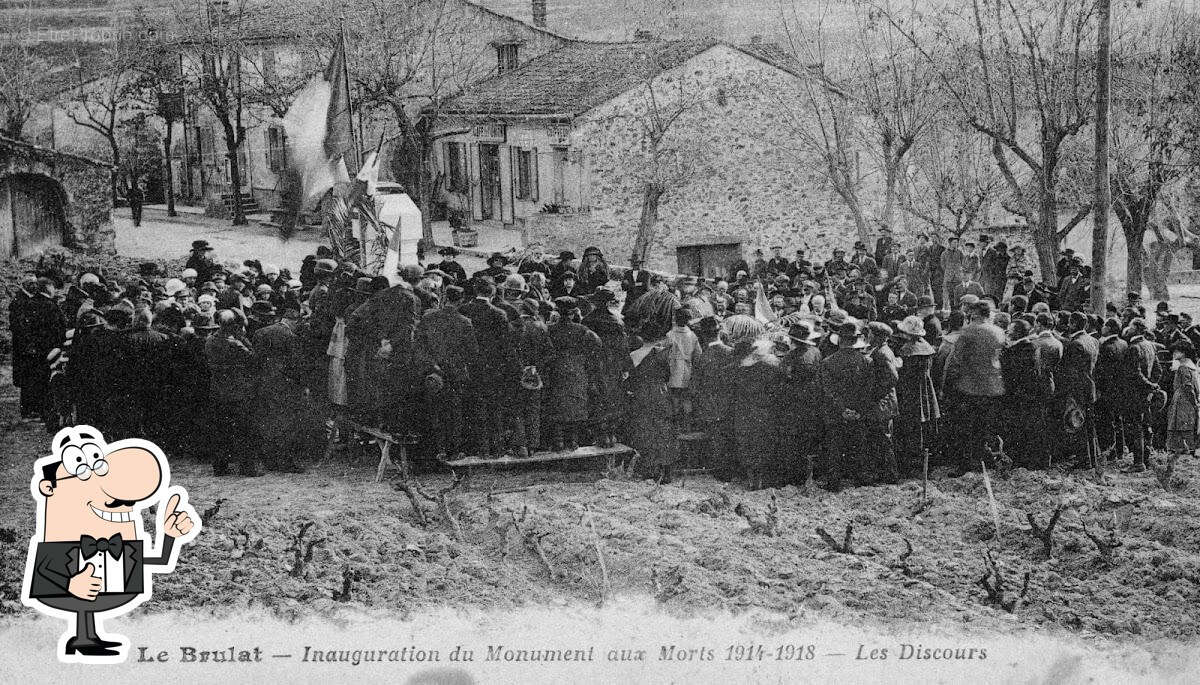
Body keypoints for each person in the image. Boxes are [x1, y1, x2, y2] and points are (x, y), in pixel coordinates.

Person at [943, 300, 1006, 472]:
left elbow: (956, 360)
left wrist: (948, 384)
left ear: (975, 314)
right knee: (985, 427)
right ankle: (986, 460)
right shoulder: (999, 332)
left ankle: (966, 465)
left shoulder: (968, 332)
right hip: (994, 387)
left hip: (970, 386)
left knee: (966, 428)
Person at [460, 280, 519, 455]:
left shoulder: (464, 311)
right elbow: (507, 345)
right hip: (494, 368)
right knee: (495, 408)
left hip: (471, 366)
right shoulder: (499, 314)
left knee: (474, 407)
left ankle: (479, 448)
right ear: (492, 295)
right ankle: (497, 448)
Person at [816, 320, 874, 491]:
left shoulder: (828, 362)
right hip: (859, 413)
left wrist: (842, 410)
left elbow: (827, 390)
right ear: (856, 341)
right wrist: (857, 410)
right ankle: (861, 479)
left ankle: (834, 482)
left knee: (834, 446)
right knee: (859, 445)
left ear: (839, 340)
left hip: (836, 413)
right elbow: (868, 390)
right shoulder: (866, 362)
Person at [204, 309, 262, 476]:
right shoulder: (237, 341)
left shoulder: (211, 340)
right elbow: (254, 359)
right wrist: (242, 346)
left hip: (218, 391)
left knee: (221, 430)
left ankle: (220, 467)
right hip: (239, 392)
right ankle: (247, 468)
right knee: (244, 430)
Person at [252, 299, 306, 472]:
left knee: (267, 421)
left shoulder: (261, 332)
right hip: (284, 385)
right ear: (293, 321)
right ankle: (285, 462)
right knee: (285, 423)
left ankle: (269, 459)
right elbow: (296, 364)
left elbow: (255, 360)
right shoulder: (290, 336)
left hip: (263, 383)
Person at [546, 297, 601, 451]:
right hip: (577, 368)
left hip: (557, 367)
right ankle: (573, 441)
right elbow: (597, 343)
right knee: (575, 403)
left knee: (557, 402)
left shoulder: (550, 329)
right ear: (573, 313)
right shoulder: (582, 330)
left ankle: (558, 441)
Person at [626, 333, 679, 482]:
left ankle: (650, 469)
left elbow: (631, 377)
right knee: (663, 431)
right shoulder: (660, 355)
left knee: (646, 431)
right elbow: (667, 375)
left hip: (642, 395)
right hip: (660, 393)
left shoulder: (634, 355)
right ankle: (666, 470)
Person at [582, 289, 631, 448]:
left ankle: (599, 434)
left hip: (595, 363)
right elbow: (624, 347)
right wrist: (624, 366)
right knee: (612, 397)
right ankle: (611, 434)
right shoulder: (617, 321)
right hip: (613, 365)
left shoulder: (588, 321)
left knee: (596, 397)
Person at [894, 316, 939, 476]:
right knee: (924, 424)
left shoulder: (908, 350)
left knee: (910, 426)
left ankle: (911, 464)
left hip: (911, 392)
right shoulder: (925, 346)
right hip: (925, 390)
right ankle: (923, 461)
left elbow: (904, 374)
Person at [1165, 340, 1200, 468]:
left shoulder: (1183, 367)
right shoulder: (1190, 365)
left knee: (1179, 423)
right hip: (1187, 398)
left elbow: (1187, 386)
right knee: (1187, 423)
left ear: (1184, 353)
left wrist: (1193, 400)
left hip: (1182, 399)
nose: (1174, 354)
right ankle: (1188, 448)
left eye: (1177, 351)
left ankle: (1181, 450)